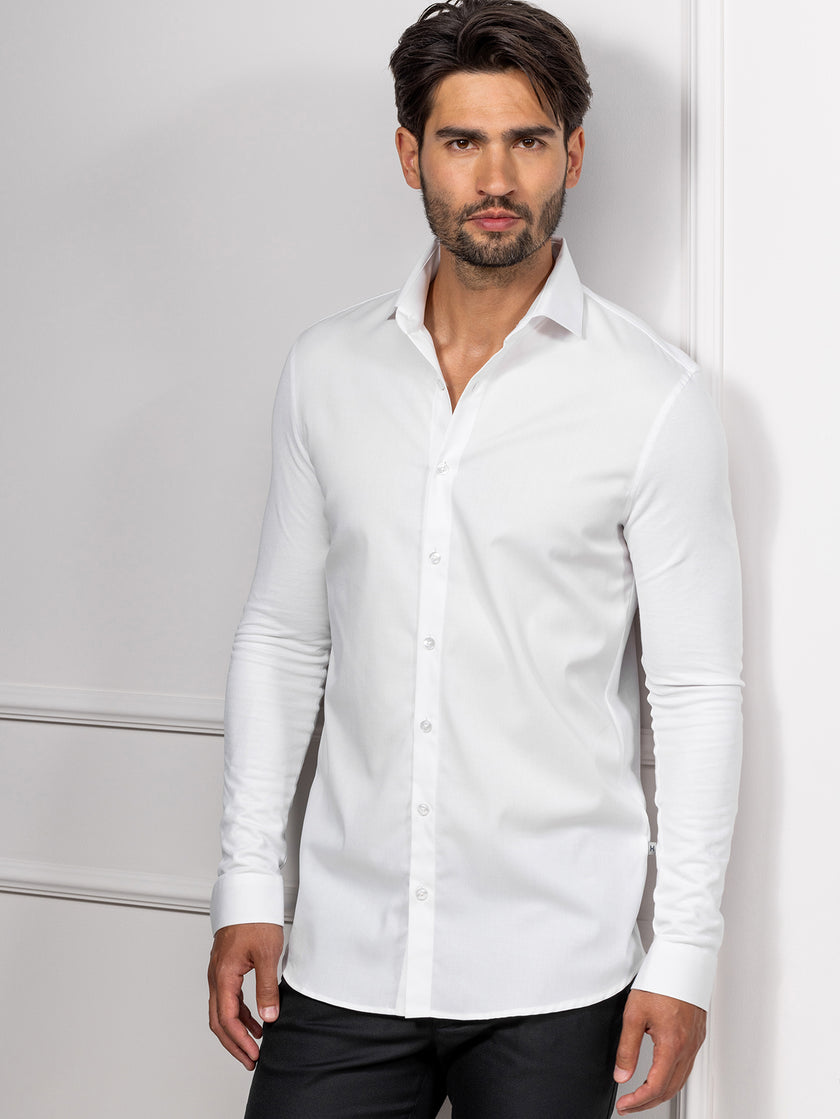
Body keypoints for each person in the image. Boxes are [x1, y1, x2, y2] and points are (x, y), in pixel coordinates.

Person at [207, 1, 743, 1115]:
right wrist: (248, 880)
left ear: (572, 155)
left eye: (528, 140)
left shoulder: (655, 397)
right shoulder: (325, 372)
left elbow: (695, 690)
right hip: (347, 956)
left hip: (562, 971)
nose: (496, 178)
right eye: (462, 141)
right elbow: (284, 637)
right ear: (411, 156)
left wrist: (685, 953)